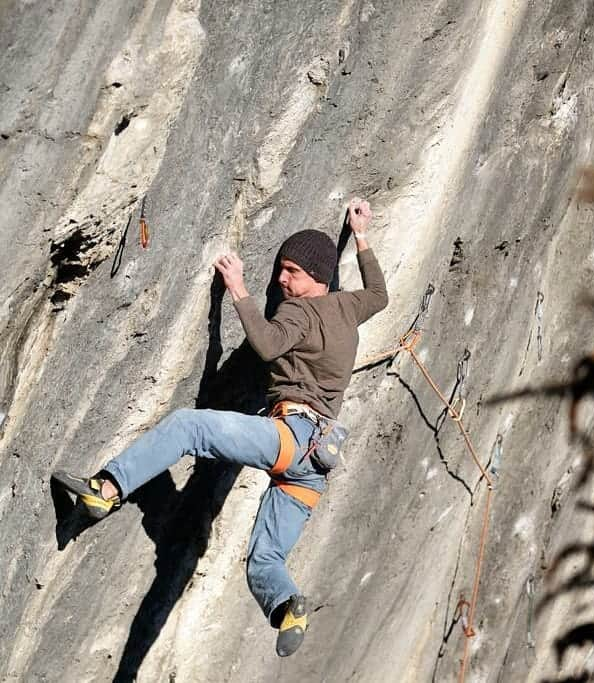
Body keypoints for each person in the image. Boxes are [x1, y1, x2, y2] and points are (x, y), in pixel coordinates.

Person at [53, 197, 388, 657]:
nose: (281, 279)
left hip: (291, 437)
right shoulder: (348, 308)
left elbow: (268, 345)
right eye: (280, 270)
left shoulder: (297, 312)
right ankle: (287, 606)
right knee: (265, 561)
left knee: (189, 426)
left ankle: (104, 490)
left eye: (290, 271)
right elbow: (379, 295)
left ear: (317, 277)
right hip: (316, 464)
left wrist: (237, 290)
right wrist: (361, 235)